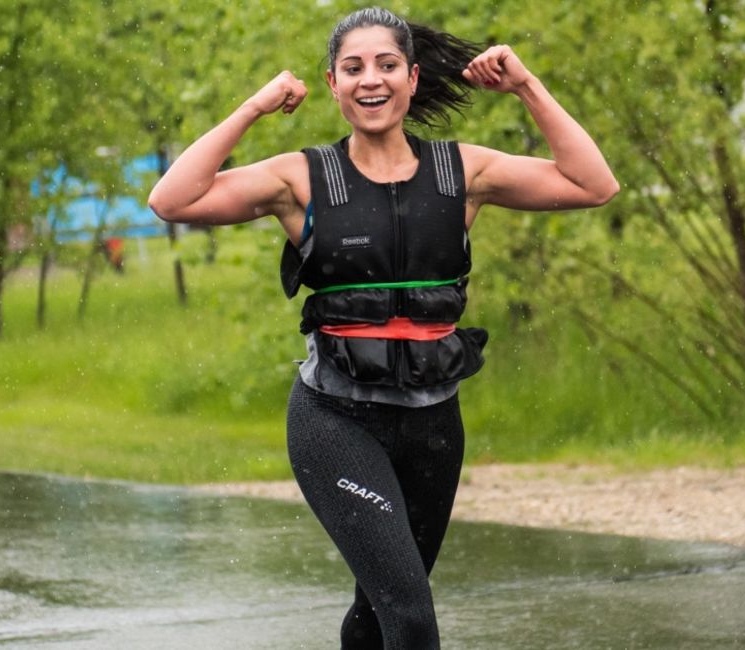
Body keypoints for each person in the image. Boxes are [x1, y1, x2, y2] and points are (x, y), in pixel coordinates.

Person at [148, 7, 618, 649]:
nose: (371, 79)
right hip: (335, 421)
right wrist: (254, 108)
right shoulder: (300, 179)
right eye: (353, 68)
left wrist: (526, 87)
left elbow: (594, 184)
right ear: (333, 84)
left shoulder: (463, 173)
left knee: (380, 613)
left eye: (387, 64)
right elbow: (171, 200)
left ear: (412, 78)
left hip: (434, 425)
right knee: (412, 618)